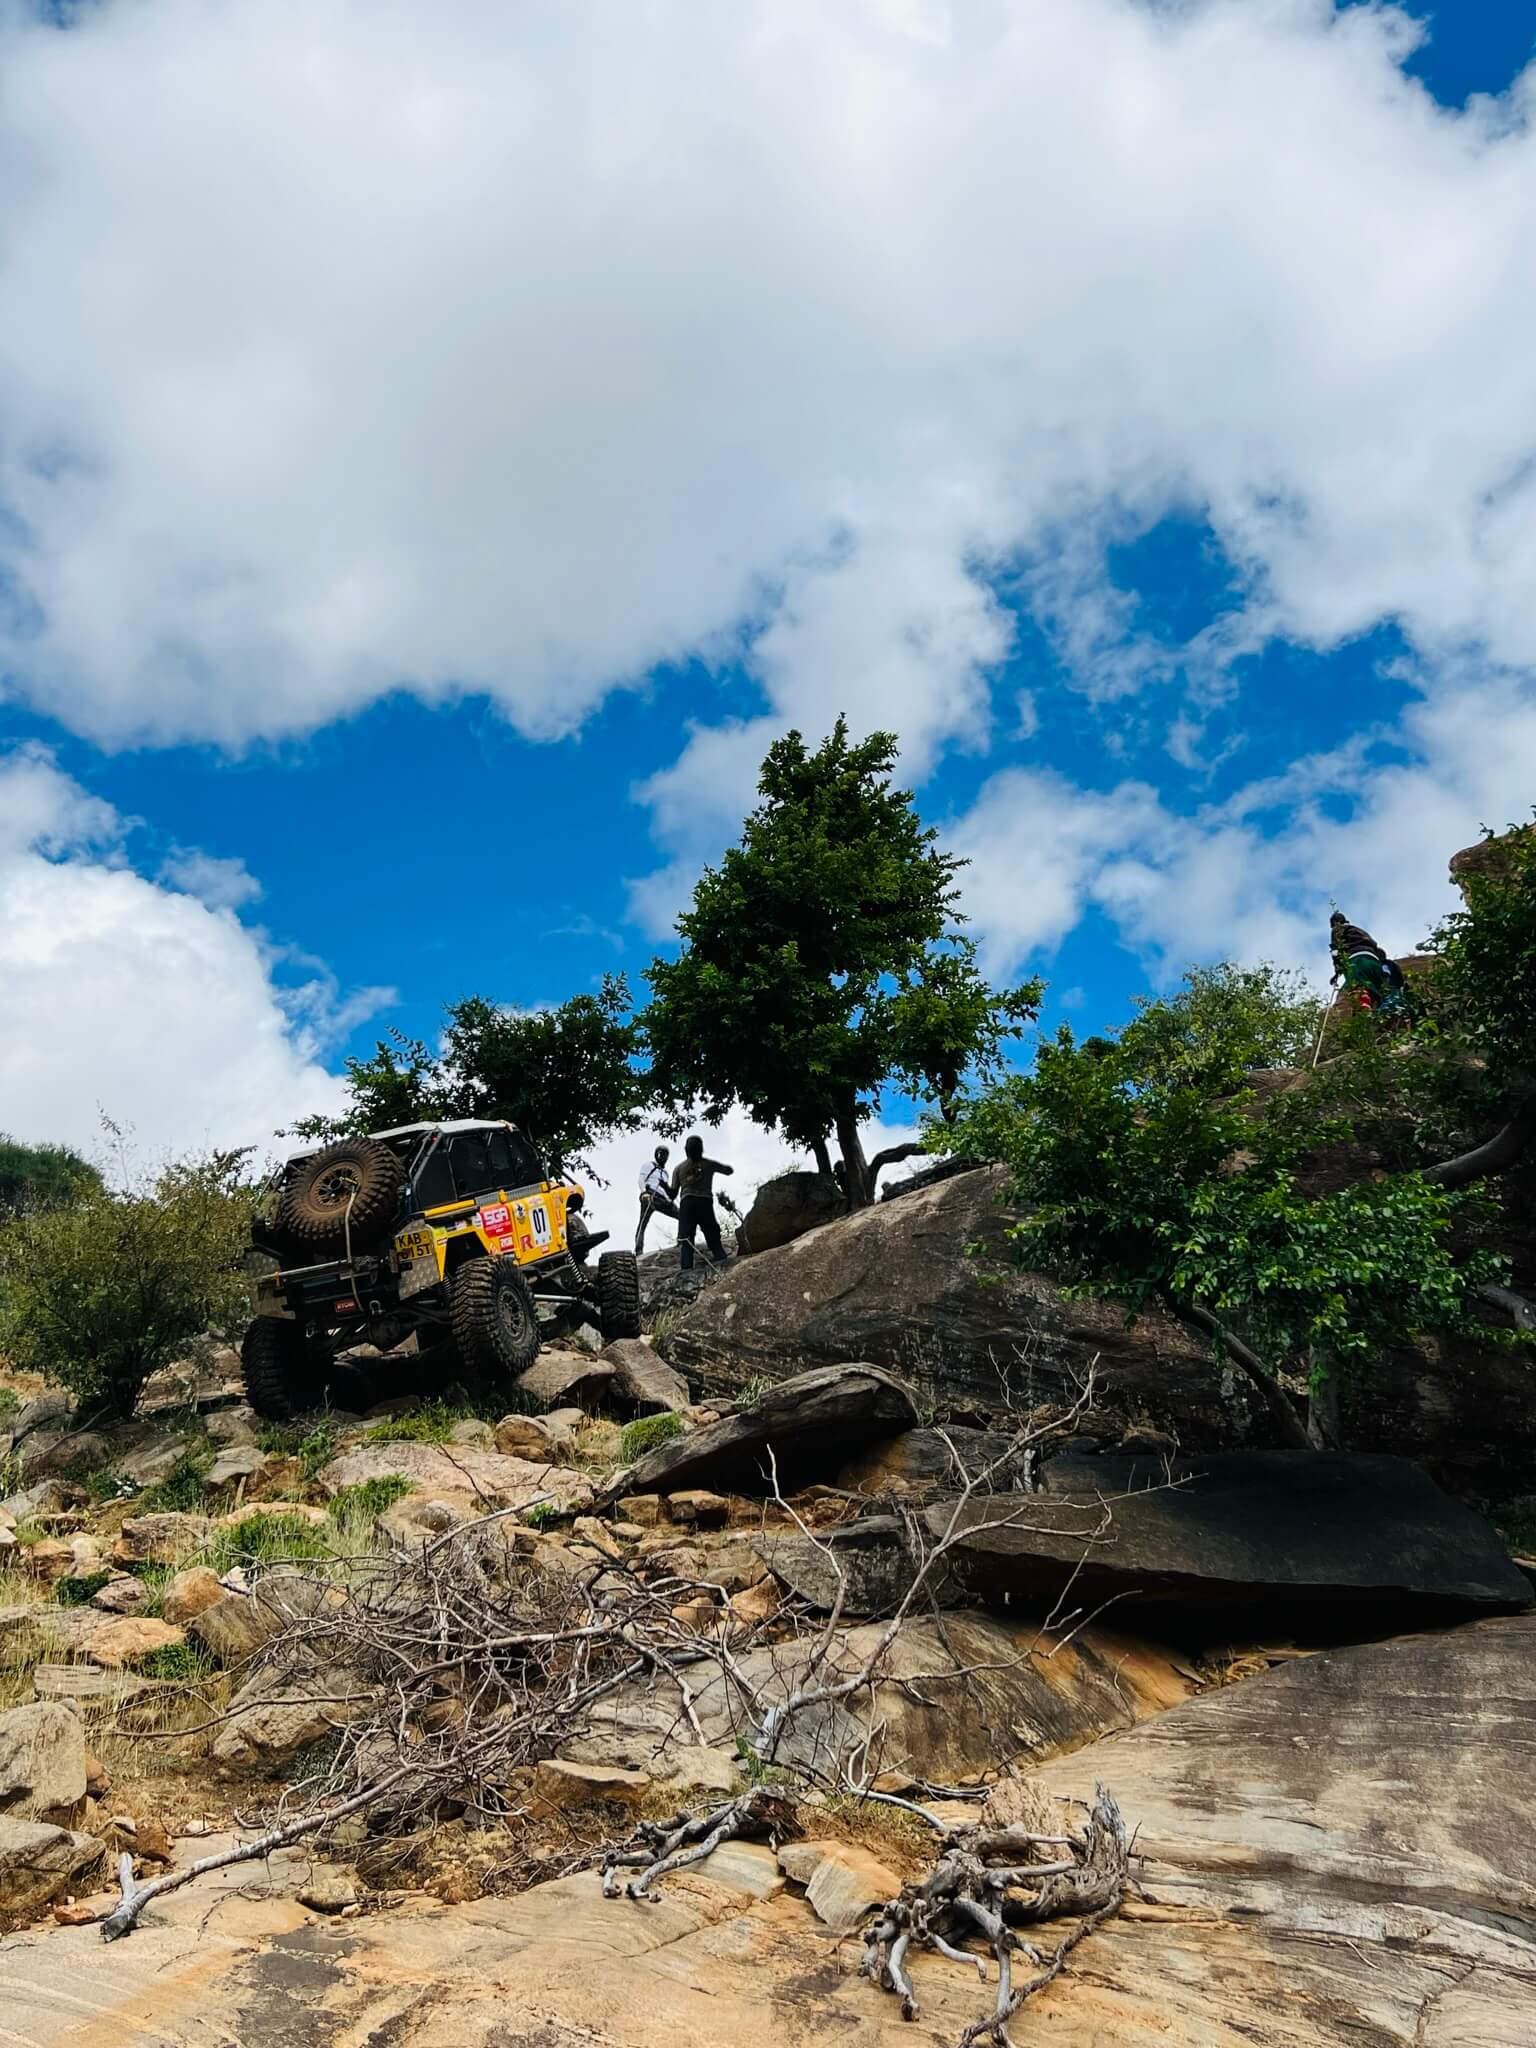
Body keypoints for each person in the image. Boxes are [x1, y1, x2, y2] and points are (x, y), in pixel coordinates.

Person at [1329, 911, 1412, 1022]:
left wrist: (1337, 968)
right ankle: (1384, 1016)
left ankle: (1363, 1015)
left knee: (1357, 986)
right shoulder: (1360, 932)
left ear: (1335, 922)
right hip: (1374, 963)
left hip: (1358, 961)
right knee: (1376, 991)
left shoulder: (1337, 929)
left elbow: (1335, 951)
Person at [670, 1135, 733, 1271]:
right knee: (711, 1233)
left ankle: (686, 1269)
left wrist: (663, 1186)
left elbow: (672, 1194)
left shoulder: (679, 1168)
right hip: (704, 1202)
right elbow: (728, 1171)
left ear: (685, 1150)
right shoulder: (709, 1164)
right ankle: (721, 1257)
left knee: (687, 1238)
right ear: (701, 1149)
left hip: (687, 1203)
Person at [635, 1144, 679, 1254]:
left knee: (682, 1215)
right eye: (661, 1154)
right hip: (650, 1195)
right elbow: (641, 1179)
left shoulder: (665, 1173)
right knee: (643, 1222)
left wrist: (669, 1198)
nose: (663, 1157)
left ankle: (682, 1241)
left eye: (665, 1155)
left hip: (663, 1199)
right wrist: (643, 1192)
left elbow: (665, 1189)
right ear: (657, 1155)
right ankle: (639, 1249)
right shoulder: (649, 1165)